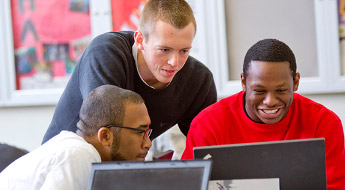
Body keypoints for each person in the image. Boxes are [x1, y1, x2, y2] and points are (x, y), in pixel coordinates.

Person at [42, 0, 217, 144]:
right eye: (164, 50)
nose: (175, 62)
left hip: (119, 167)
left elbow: (208, 148)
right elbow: (109, 141)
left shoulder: (199, 80)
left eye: (184, 51)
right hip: (63, 166)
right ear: (140, 40)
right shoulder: (106, 54)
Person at [182, 39, 345, 189]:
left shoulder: (323, 122)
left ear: (295, 82)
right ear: (244, 83)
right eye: (259, 91)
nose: (270, 101)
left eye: (281, 90)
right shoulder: (208, 124)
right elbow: (189, 185)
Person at [0, 85, 152, 189]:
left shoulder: (74, 148)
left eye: (147, 133)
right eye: (140, 132)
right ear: (105, 136)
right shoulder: (78, 154)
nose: (148, 144)